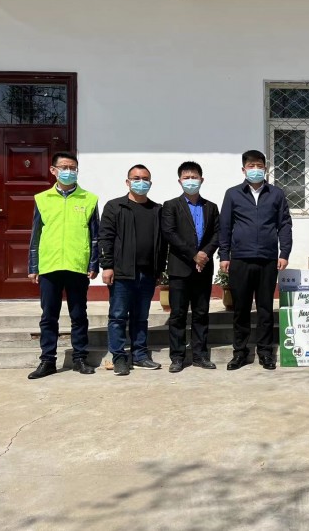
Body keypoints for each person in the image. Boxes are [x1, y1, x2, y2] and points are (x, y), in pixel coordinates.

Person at [27, 151, 99, 379]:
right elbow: (36, 235)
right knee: (49, 316)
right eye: (64, 167)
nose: (69, 172)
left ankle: (80, 358)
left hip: (77, 265)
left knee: (79, 314)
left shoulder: (89, 199)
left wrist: (94, 263)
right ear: (53, 170)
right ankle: (48, 360)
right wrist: (33, 266)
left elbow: (95, 236)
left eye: (73, 168)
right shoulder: (42, 199)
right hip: (49, 265)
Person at [219, 150, 293, 371]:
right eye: (251, 166)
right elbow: (225, 226)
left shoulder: (276, 194)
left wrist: (284, 253)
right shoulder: (233, 194)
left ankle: (265, 352)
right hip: (240, 259)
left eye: (259, 166)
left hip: (267, 259)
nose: (255, 170)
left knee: (265, 308)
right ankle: (240, 353)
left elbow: (284, 224)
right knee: (241, 309)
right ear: (243, 169)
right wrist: (224, 255)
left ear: (265, 168)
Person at [99, 164, 168, 376]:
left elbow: (162, 243)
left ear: (151, 183)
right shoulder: (115, 207)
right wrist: (107, 265)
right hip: (122, 272)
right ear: (127, 182)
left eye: (145, 179)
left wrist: (159, 270)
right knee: (118, 316)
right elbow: (105, 237)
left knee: (141, 317)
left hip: (147, 273)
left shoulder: (157, 210)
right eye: (136, 178)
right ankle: (119, 357)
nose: (141, 182)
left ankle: (140, 355)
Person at [161, 161, 220, 373]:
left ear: (201, 180)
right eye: (186, 178)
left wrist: (205, 254)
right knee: (178, 314)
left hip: (203, 268)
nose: (190, 181)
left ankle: (200, 355)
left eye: (194, 177)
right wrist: (194, 254)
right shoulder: (170, 206)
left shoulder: (211, 207)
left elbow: (217, 234)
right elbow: (170, 234)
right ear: (179, 181)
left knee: (201, 313)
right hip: (180, 268)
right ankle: (177, 357)